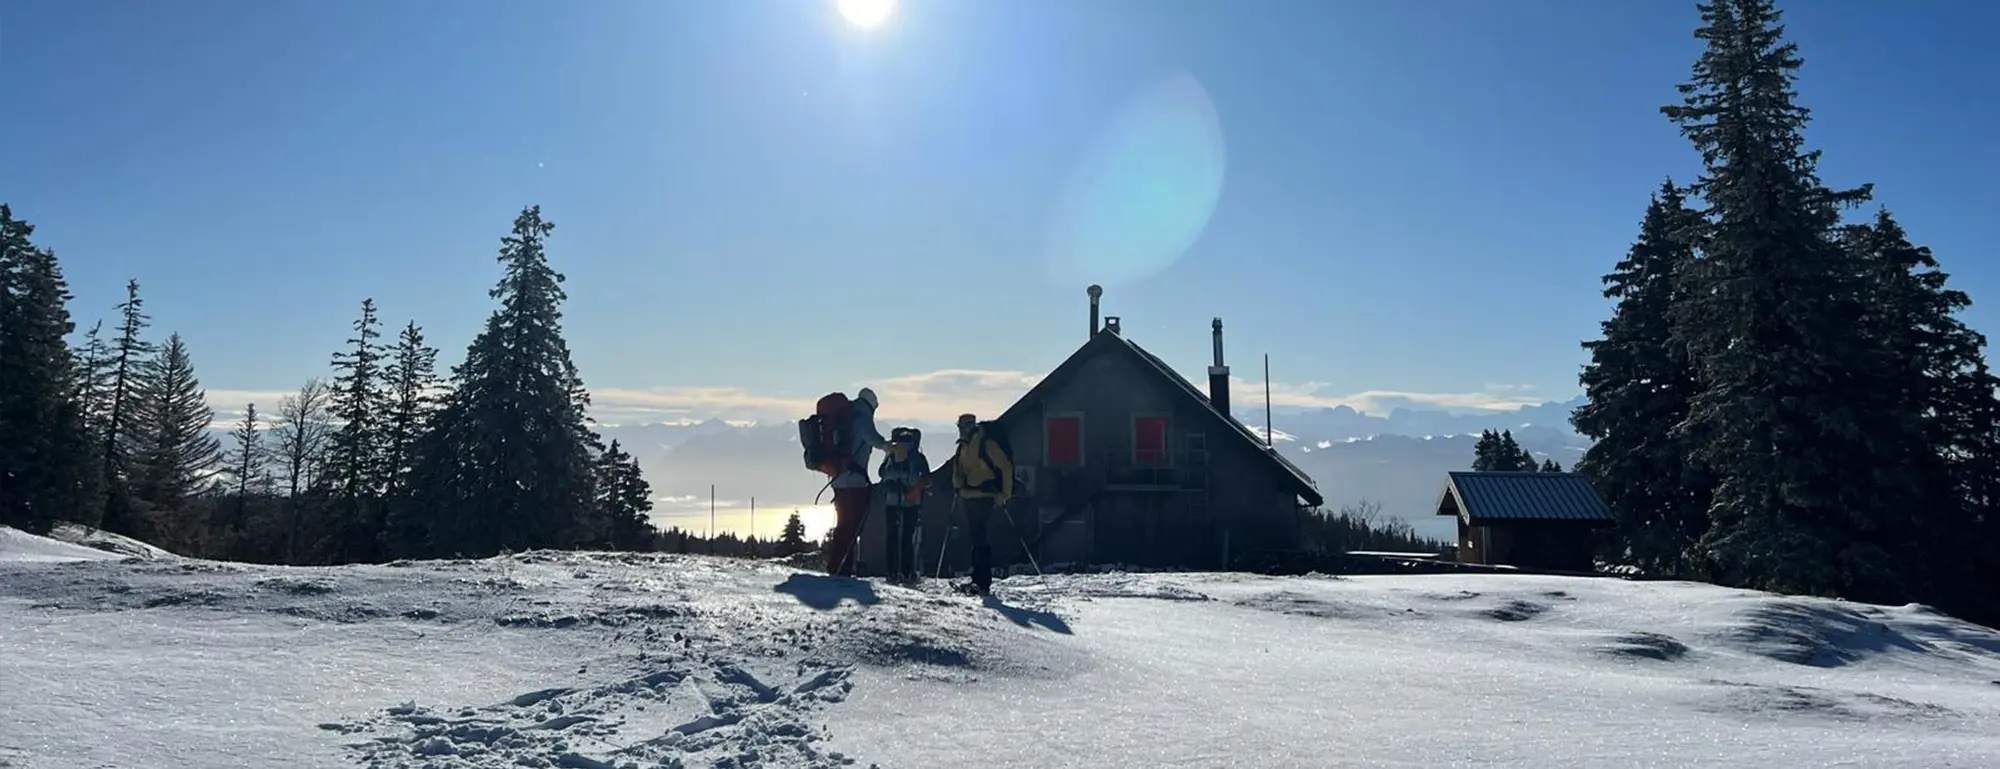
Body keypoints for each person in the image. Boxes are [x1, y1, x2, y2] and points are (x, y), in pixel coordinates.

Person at [824, 387, 889, 576]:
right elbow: (872, 438)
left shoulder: (847, 416)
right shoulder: (862, 417)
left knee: (843, 523)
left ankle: (837, 565)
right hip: (854, 481)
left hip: (838, 478)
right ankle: (844, 567)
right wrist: (889, 447)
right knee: (852, 525)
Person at [949, 413, 1013, 596]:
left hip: (985, 495)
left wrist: (1005, 493)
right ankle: (979, 579)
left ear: (969, 426)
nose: (960, 429)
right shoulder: (963, 446)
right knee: (977, 537)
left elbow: (1005, 466)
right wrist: (958, 486)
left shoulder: (985, 444)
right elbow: (959, 471)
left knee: (979, 538)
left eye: (962, 426)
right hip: (970, 496)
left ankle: (982, 581)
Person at [877, 427, 931, 584]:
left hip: (892, 501)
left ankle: (891, 573)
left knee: (892, 537)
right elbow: (927, 479)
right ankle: (907, 573)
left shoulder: (890, 456)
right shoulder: (919, 458)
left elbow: (882, 473)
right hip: (912, 503)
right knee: (907, 538)